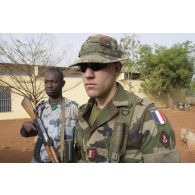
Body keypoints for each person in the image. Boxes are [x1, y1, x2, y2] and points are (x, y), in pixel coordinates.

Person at [70, 34, 180, 163]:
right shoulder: (82, 113)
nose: (88, 74)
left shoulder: (144, 115)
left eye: (96, 65)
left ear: (117, 69)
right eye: (83, 67)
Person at [20, 68, 78, 163]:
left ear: (62, 84)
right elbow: (27, 133)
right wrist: (25, 128)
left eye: (54, 82)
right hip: (39, 160)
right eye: (46, 82)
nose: (49, 86)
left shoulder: (73, 108)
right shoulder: (40, 108)